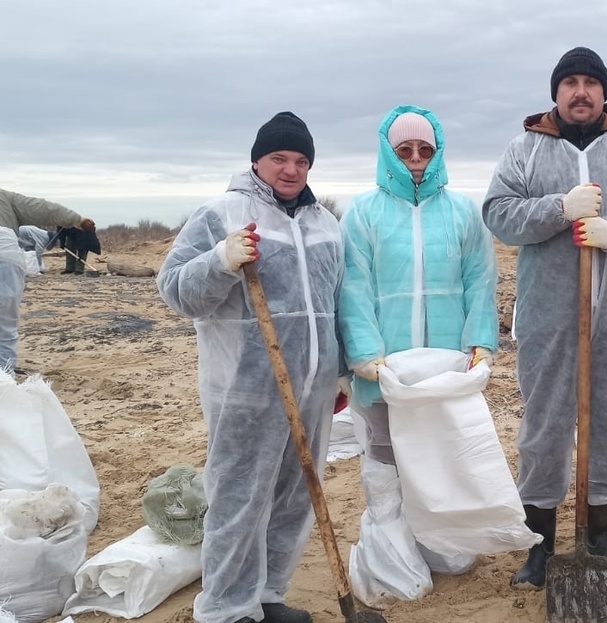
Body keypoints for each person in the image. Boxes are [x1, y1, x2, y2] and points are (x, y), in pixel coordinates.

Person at [483, 47, 607, 589]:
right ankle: (540, 547)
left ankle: (600, 543)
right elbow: (499, 214)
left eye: (591, 82)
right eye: (570, 82)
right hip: (548, 314)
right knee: (544, 425)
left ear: (604, 92)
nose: (581, 91)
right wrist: (557, 209)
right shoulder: (524, 151)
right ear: (555, 92)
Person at [158, 111, 347, 623]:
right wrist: (220, 259)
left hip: (313, 386)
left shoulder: (325, 222)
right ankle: (225, 608)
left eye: (301, 160)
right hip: (245, 388)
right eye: (279, 158)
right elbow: (175, 290)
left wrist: (342, 369)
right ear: (257, 160)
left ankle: (267, 597)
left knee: (294, 495)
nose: (291, 170)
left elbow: (338, 302)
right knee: (239, 498)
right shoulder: (221, 214)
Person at [337, 105, 498, 577]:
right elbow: (353, 286)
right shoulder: (363, 213)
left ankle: (441, 542)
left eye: (424, 149)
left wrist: (480, 341)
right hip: (386, 365)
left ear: (437, 152)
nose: (414, 157)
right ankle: (393, 547)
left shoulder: (462, 211)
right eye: (404, 148)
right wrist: (364, 352)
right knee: (386, 453)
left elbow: (480, 280)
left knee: (441, 449)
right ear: (388, 151)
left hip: (445, 364)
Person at [1, 188, 95, 372]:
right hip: (6, 253)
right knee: (5, 327)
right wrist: (77, 219)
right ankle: (4, 381)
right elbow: (43, 208)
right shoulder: (5, 197)